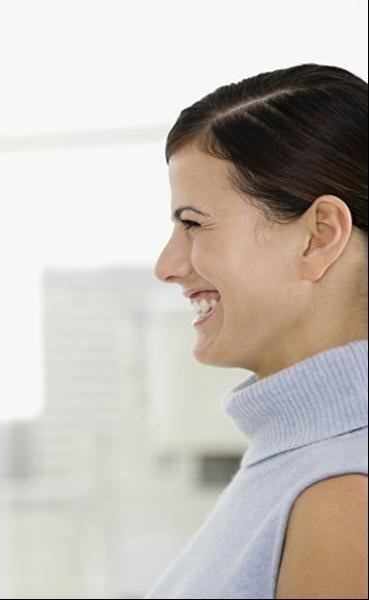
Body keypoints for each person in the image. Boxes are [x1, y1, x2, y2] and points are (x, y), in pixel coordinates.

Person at [149, 64, 368, 598]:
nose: (167, 265)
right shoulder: (299, 466)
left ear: (320, 236)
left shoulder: (342, 497)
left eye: (193, 223)